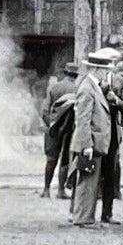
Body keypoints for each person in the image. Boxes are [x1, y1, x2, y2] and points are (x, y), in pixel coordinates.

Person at [68, 48, 116, 227]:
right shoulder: (87, 88)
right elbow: (83, 120)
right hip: (90, 143)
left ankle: (85, 217)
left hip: (95, 142)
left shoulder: (93, 86)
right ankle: (83, 218)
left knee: (91, 182)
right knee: (87, 182)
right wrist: (86, 145)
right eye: (105, 70)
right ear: (96, 69)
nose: (107, 73)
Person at [41, 61, 78, 198]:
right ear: (75, 75)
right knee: (65, 160)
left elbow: (45, 110)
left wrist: (51, 125)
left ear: (65, 73)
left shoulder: (53, 88)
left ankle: (46, 190)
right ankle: (61, 191)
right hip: (69, 130)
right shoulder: (77, 89)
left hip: (53, 129)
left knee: (51, 160)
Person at [100, 62, 123, 225]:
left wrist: (116, 100)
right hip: (94, 132)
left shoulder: (118, 81)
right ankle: (79, 212)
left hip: (111, 133)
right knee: (86, 171)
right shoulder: (87, 81)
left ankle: (107, 213)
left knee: (110, 174)